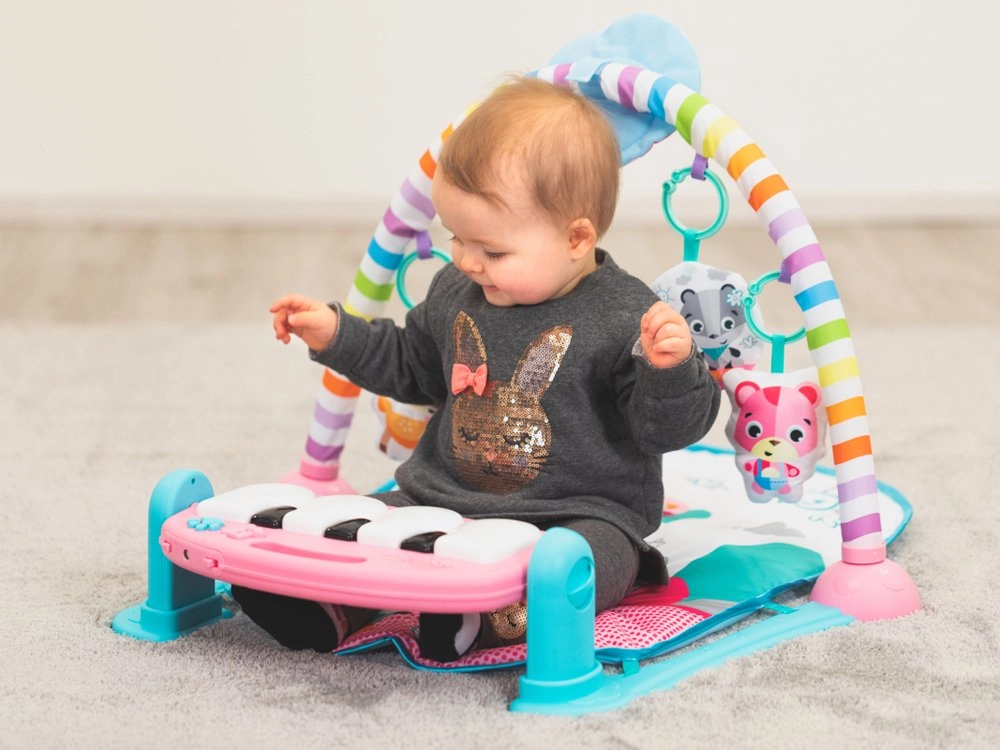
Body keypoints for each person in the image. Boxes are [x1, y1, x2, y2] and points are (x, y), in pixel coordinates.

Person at [236, 76, 721, 662]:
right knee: (361, 524)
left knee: (583, 562)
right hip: (442, 499)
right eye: (456, 238)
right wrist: (337, 334)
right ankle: (328, 602)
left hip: (577, 512)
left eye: (492, 251)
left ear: (576, 237)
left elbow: (664, 431)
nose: (468, 261)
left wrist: (671, 371)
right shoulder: (457, 290)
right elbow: (411, 365)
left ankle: (488, 617)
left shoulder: (628, 314)